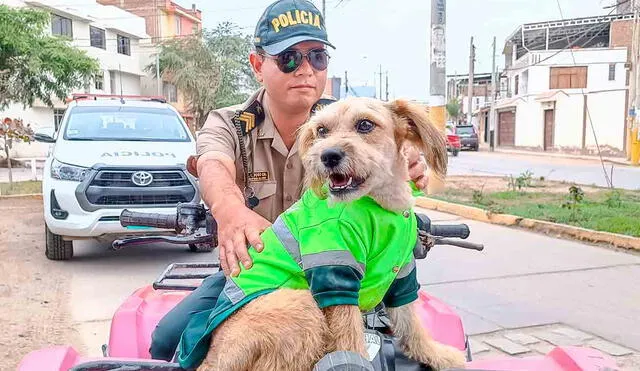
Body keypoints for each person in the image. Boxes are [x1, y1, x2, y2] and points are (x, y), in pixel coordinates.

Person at [149, 0, 430, 361]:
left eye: (317, 57)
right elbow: (213, 165)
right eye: (289, 58)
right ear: (257, 65)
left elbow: (397, 163)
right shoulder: (229, 122)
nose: (306, 70)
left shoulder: (356, 121)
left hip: (346, 274)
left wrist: (402, 160)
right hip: (260, 273)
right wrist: (230, 210)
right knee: (168, 341)